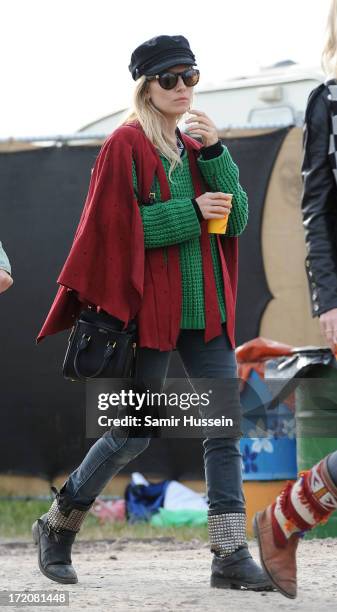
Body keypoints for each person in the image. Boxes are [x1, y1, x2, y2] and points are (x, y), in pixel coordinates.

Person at [33, 35, 272, 592]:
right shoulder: (125, 144)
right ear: (146, 86)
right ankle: (57, 523)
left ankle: (230, 554)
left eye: (191, 75)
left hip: (206, 313)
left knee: (222, 430)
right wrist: (189, 213)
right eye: (171, 79)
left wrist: (217, 153)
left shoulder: (196, 145)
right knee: (134, 433)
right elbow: (114, 233)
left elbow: (233, 224)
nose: (184, 87)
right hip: (150, 316)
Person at [253, 0, 337, 599]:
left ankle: (282, 520)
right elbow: (317, 209)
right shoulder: (327, 101)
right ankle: (281, 521)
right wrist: (329, 300)